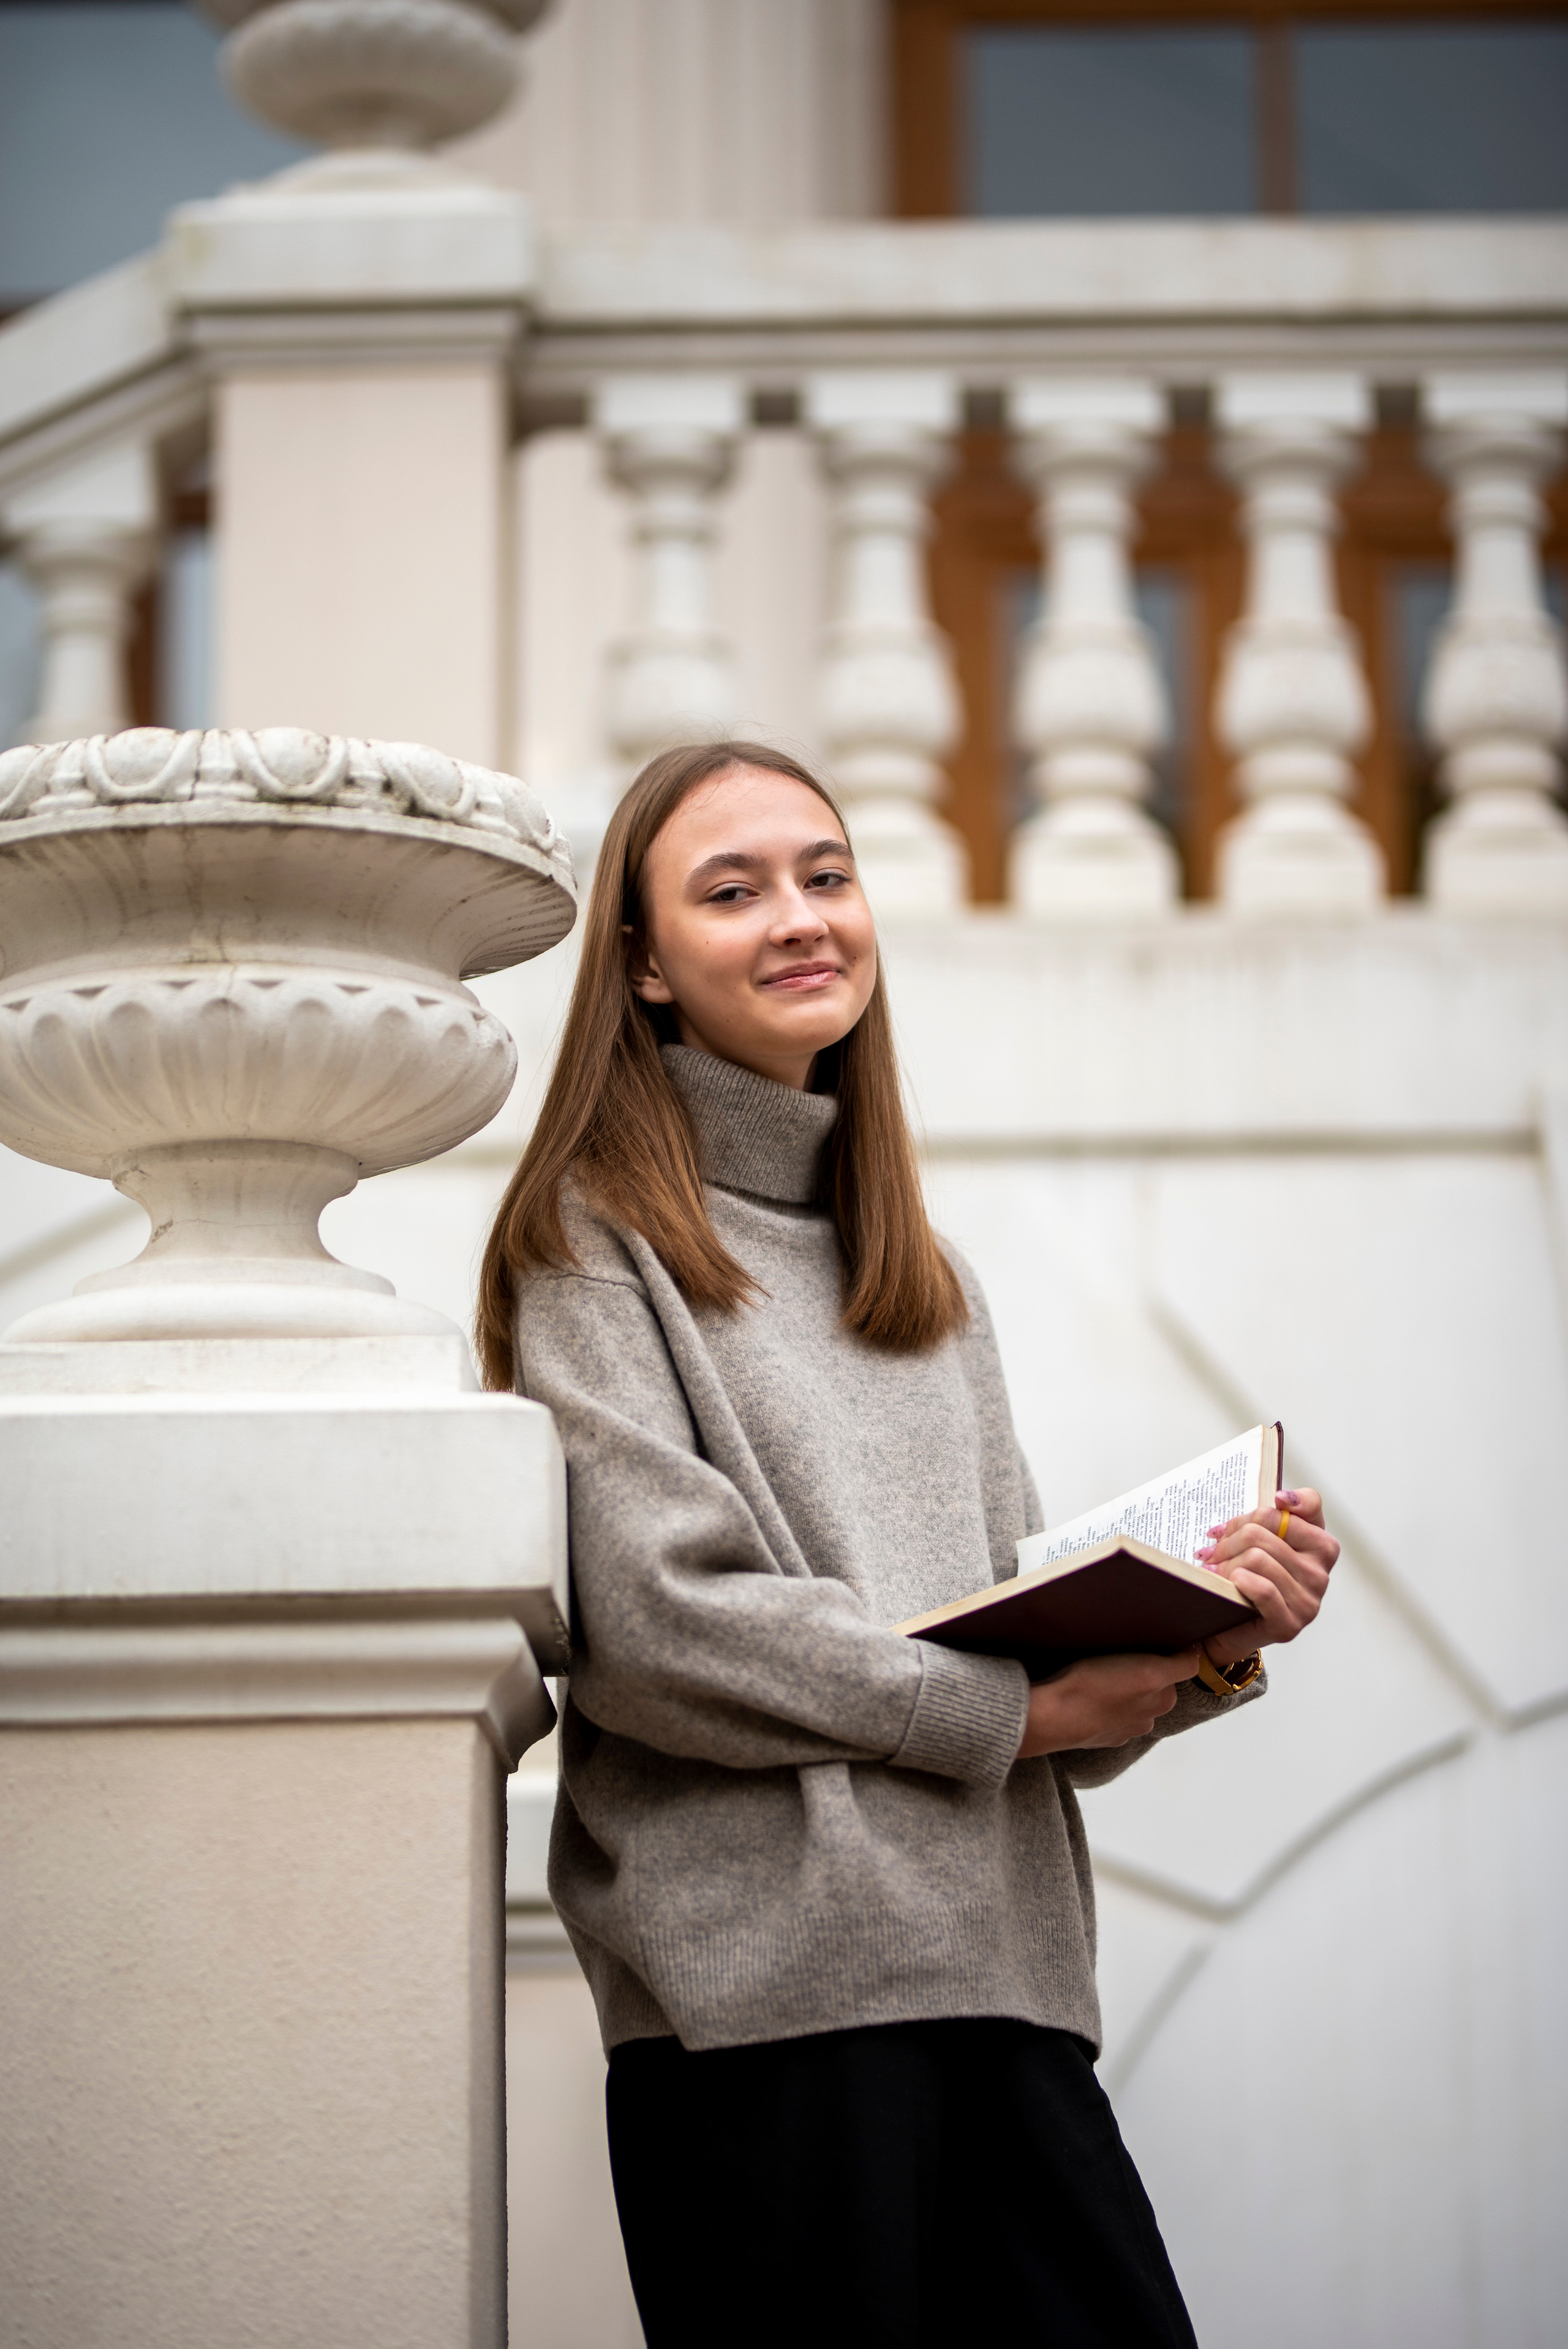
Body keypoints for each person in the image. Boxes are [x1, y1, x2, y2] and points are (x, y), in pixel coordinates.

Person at [476, 740, 1336, 2348]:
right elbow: (668, 1629)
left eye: (827, 872)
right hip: (767, 2020)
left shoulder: (920, 1274)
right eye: (733, 891)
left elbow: (1006, 1659)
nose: (802, 916)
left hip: (1009, 1988)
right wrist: (1017, 1713)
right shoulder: (592, 1246)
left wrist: (1210, 1641)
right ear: (647, 968)